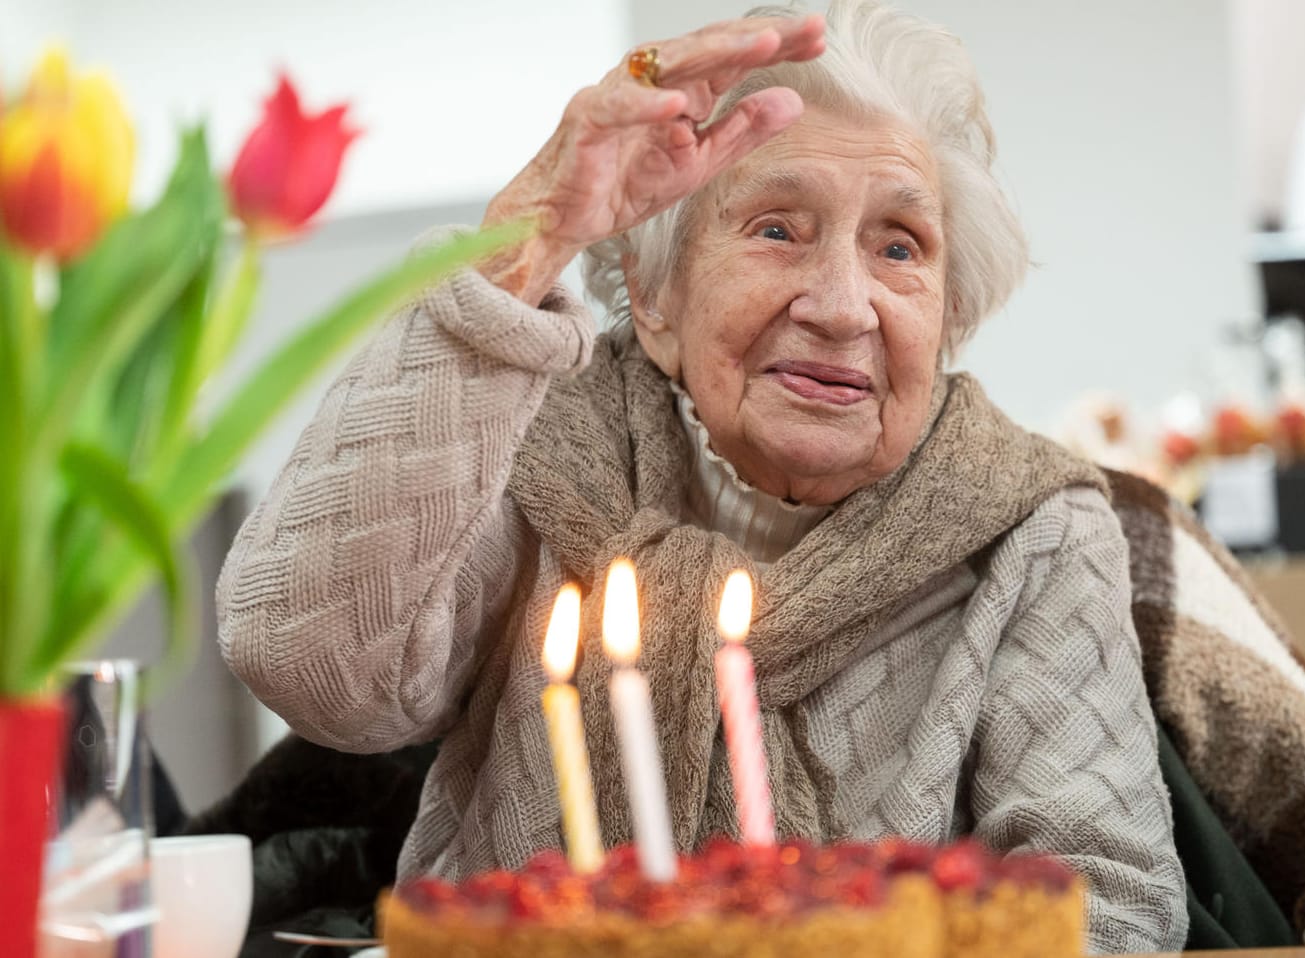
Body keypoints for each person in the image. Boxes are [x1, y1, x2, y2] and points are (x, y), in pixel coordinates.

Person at [216, 1, 1188, 952]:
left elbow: (1108, 907)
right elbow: (306, 661)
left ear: (949, 321)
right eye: (777, 228)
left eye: (900, 246)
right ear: (652, 295)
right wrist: (516, 257)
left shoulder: (1032, 531)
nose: (846, 306)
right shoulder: (523, 447)